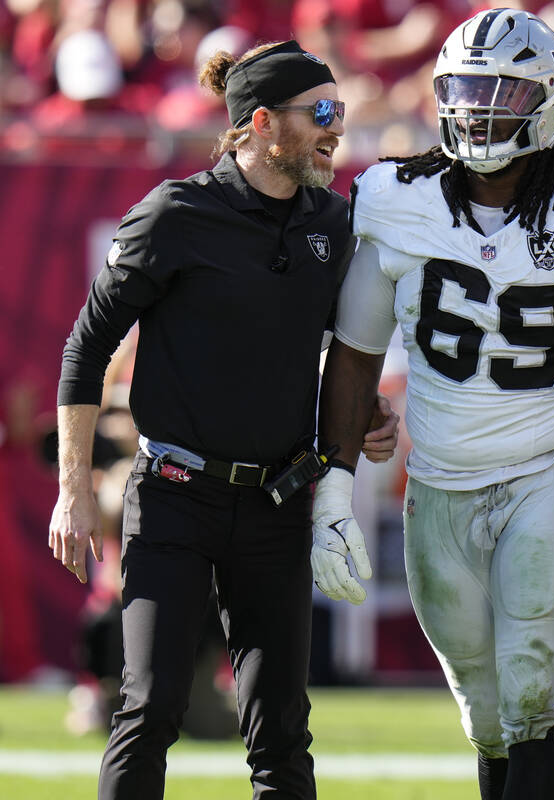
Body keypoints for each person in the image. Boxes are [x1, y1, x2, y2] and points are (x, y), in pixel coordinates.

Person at [309, 8, 554, 799]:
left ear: (553, 101)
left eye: (504, 91)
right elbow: (351, 358)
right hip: (443, 473)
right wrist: (331, 491)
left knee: (532, 693)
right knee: (485, 713)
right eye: (466, 88)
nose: (480, 107)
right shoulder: (394, 195)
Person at [47, 40, 397, 800]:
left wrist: (366, 413)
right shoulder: (176, 213)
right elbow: (84, 351)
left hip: (277, 501)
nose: (338, 128)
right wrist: (73, 493)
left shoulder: (335, 222)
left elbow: (343, 352)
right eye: (323, 112)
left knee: (282, 734)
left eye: (341, 110)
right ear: (261, 122)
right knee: (148, 711)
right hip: (174, 494)